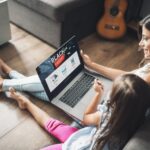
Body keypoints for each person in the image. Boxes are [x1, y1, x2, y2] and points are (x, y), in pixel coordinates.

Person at [1, 15, 150, 100]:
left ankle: (6, 81)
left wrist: (98, 96)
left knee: (55, 86)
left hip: (107, 100)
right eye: (143, 37)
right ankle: (9, 76)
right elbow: (129, 77)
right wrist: (92, 65)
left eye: (147, 38)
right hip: (108, 90)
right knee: (61, 81)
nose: (142, 44)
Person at [6, 74, 150, 150]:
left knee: (54, 126)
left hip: (82, 146)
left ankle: (25, 101)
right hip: (89, 139)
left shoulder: (107, 116)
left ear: (116, 105)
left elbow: (86, 119)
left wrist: (97, 95)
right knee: (56, 126)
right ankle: (26, 102)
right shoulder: (138, 117)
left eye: (112, 93)